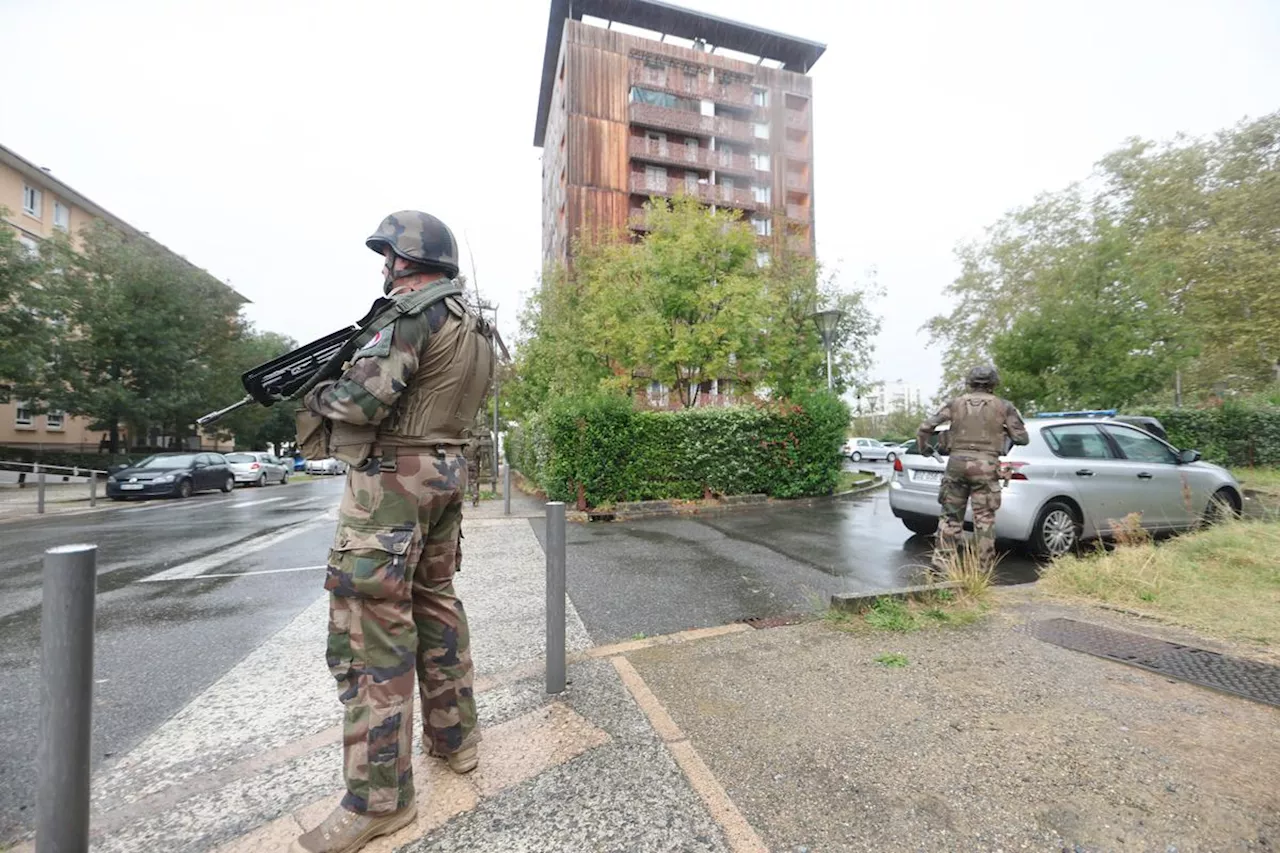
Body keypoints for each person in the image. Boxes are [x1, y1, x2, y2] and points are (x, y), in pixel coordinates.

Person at [292, 211, 497, 853]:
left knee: (370, 634)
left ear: (405, 260)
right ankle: (456, 742)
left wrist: (316, 390)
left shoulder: (408, 314)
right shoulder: (474, 322)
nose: (384, 265)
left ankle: (378, 802)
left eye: (388, 255)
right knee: (436, 604)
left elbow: (362, 403)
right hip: (447, 474)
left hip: (392, 485)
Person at [916, 365, 1028, 571]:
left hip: (956, 464)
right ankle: (982, 570)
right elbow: (1022, 438)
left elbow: (925, 428)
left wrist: (925, 449)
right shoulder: (1004, 406)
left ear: (969, 382)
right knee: (984, 520)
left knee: (950, 517)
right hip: (986, 467)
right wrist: (1001, 429)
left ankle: (942, 564)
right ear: (994, 384)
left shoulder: (955, 404)